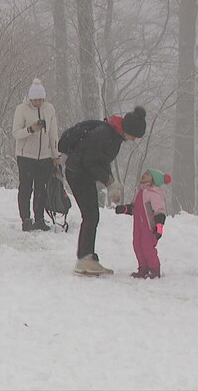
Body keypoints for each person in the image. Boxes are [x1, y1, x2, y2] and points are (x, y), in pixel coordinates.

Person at [64, 106, 147, 276]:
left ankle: (87, 257)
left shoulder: (113, 136)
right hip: (77, 174)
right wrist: (109, 182)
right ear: (129, 130)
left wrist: (111, 182)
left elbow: (101, 161)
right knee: (91, 215)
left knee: (91, 215)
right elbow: (89, 162)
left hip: (82, 174)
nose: (133, 140)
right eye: (134, 136)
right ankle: (84, 259)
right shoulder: (105, 134)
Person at [11, 78, 60, 232]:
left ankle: (39, 218)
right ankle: (25, 218)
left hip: (44, 157)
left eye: (40, 99)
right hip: (26, 157)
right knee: (26, 188)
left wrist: (56, 155)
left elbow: (53, 134)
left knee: (41, 189)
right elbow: (16, 133)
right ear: (30, 98)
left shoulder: (50, 109)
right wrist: (31, 129)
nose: (38, 102)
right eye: (35, 99)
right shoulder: (21, 109)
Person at [115, 169, 170, 279]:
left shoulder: (154, 193)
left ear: (154, 180)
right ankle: (143, 267)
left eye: (148, 174)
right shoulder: (140, 192)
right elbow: (134, 208)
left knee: (147, 247)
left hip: (150, 227)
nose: (144, 174)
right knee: (137, 245)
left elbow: (159, 211)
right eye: (144, 173)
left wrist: (159, 227)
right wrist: (125, 209)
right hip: (138, 226)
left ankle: (154, 269)